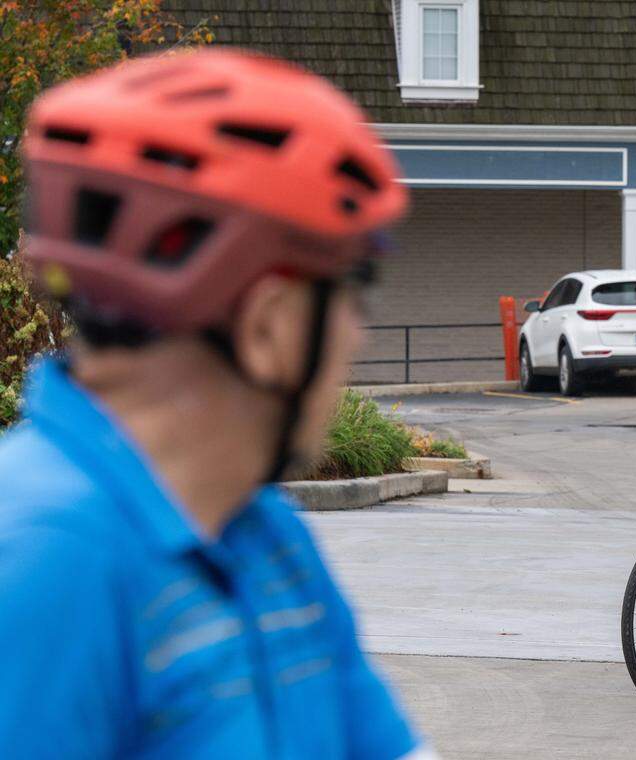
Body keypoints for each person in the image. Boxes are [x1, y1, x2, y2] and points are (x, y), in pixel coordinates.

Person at [0, 49, 435, 758]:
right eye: (351, 290)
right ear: (268, 326)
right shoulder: (38, 564)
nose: (359, 335)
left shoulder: (267, 536)